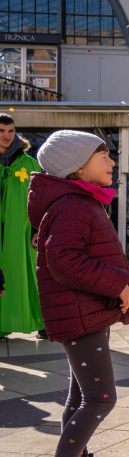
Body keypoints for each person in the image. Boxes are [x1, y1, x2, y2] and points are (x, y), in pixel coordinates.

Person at [26, 130, 129, 457]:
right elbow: (64, 261)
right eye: (103, 156)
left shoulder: (78, 201)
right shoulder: (73, 205)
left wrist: (125, 290)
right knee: (100, 398)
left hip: (87, 311)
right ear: (77, 166)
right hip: (80, 314)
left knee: (81, 400)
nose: (112, 163)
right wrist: (118, 285)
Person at [0, 114, 45, 340]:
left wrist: (38, 228)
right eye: (1, 131)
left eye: (10, 130)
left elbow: (42, 197)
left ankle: (43, 323)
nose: (7, 136)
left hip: (25, 230)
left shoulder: (29, 163)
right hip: (1, 231)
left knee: (31, 275)